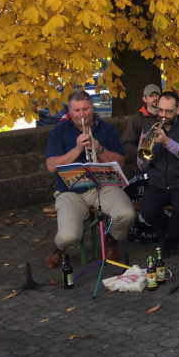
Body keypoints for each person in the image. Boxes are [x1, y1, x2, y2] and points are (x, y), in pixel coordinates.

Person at [45, 89, 136, 268]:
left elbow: (120, 162)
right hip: (70, 191)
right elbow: (51, 167)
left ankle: (111, 240)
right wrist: (78, 148)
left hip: (103, 187)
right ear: (69, 112)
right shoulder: (59, 132)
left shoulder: (106, 129)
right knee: (68, 236)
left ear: (91, 108)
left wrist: (100, 149)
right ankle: (59, 247)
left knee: (127, 214)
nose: (82, 114)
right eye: (77, 111)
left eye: (85, 109)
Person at [138, 90, 179, 257]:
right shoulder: (148, 129)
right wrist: (145, 150)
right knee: (148, 211)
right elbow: (142, 167)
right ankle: (172, 235)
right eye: (160, 110)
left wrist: (167, 142)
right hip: (157, 183)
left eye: (168, 111)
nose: (163, 115)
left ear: (178, 110)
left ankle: (167, 239)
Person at [121, 84, 161, 165]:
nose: (155, 98)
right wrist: (144, 155)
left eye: (157, 95)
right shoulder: (136, 120)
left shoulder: (167, 116)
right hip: (147, 164)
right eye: (151, 96)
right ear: (144, 99)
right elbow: (127, 145)